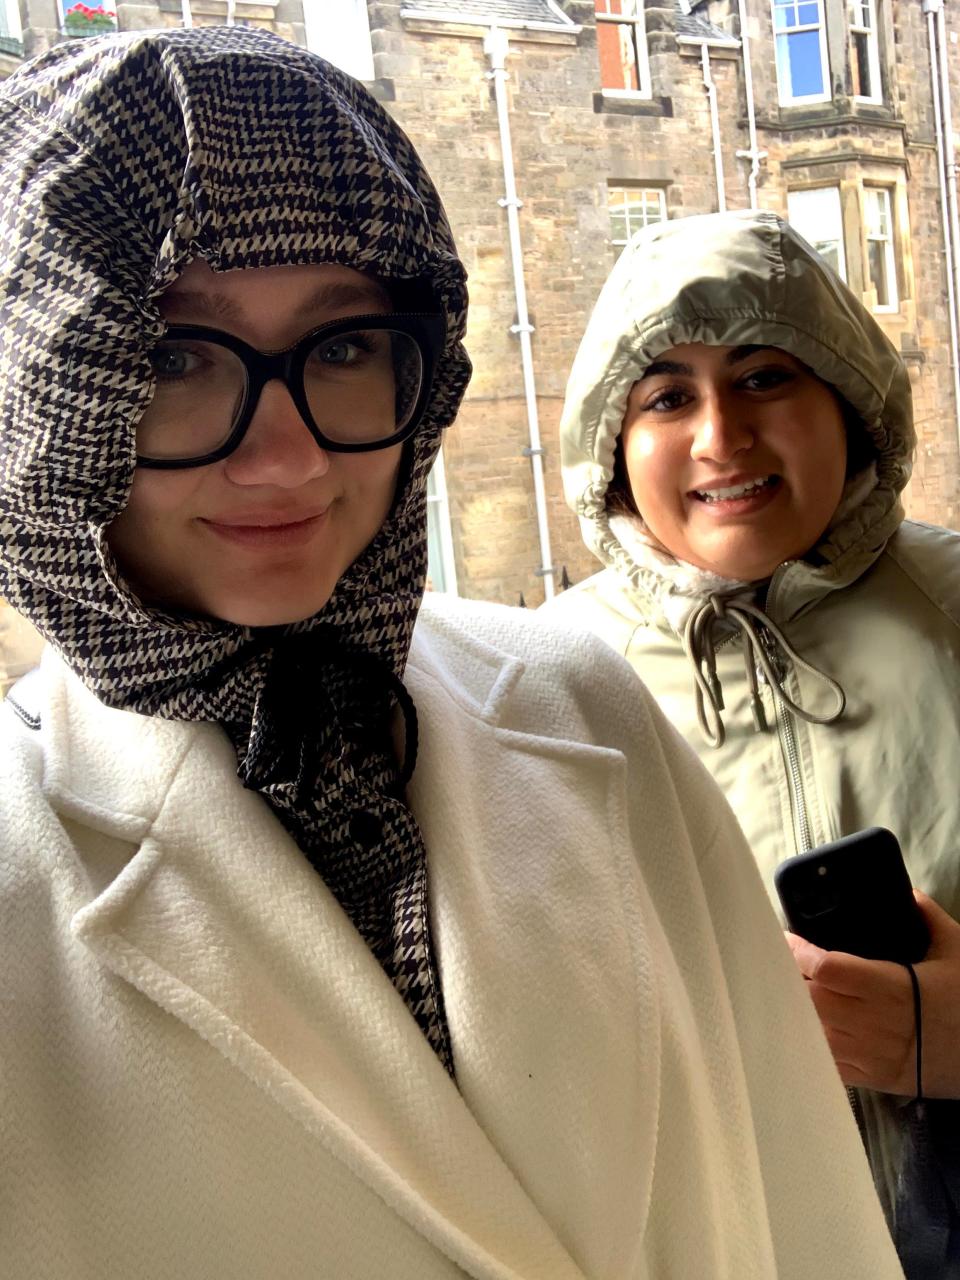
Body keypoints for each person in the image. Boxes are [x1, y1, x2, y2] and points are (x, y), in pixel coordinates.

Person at [0, 33, 903, 1279]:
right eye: (174, 359)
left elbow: (807, 1207)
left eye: (346, 345)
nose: (287, 456)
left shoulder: (578, 695)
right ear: (42, 395)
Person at [546, 207, 960, 1274]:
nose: (721, 436)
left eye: (766, 375)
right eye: (668, 395)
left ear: (849, 401)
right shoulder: (537, 686)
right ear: (612, 438)